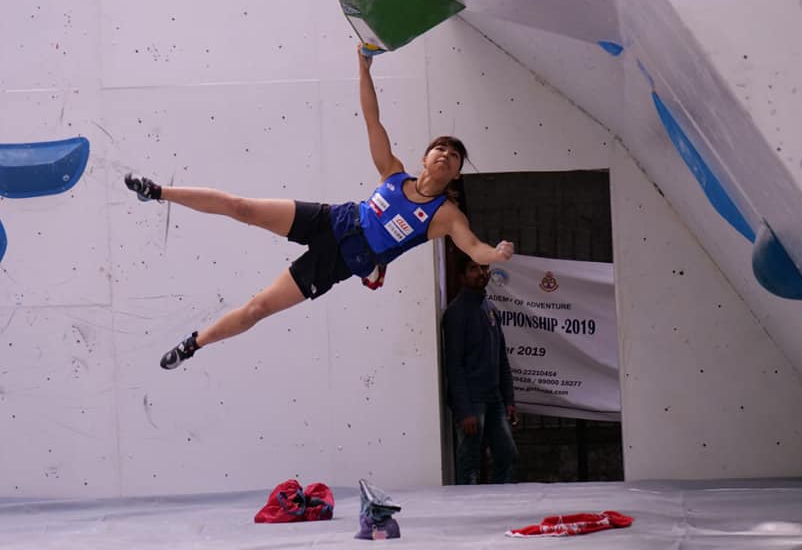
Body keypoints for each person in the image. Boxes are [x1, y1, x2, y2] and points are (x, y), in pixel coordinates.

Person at [124, 45, 515, 370]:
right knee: (242, 207)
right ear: (425, 158)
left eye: (454, 155)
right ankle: (157, 191)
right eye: (440, 149)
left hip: (344, 260)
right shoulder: (393, 173)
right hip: (333, 219)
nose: (445, 155)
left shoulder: (445, 216)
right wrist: (363, 66)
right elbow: (371, 118)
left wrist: (494, 254)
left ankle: (194, 344)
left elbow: (473, 247)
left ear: (457, 173)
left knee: (258, 307)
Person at [442, 256, 519, 484]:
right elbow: (453, 365)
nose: (481, 273)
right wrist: (464, 410)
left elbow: (501, 358)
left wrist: (509, 400)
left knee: (508, 456)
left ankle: (496, 509)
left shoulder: (491, 309)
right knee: (470, 466)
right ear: (462, 277)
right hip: (472, 403)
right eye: (473, 269)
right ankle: (469, 516)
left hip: (494, 400)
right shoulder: (456, 313)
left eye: (484, 267)